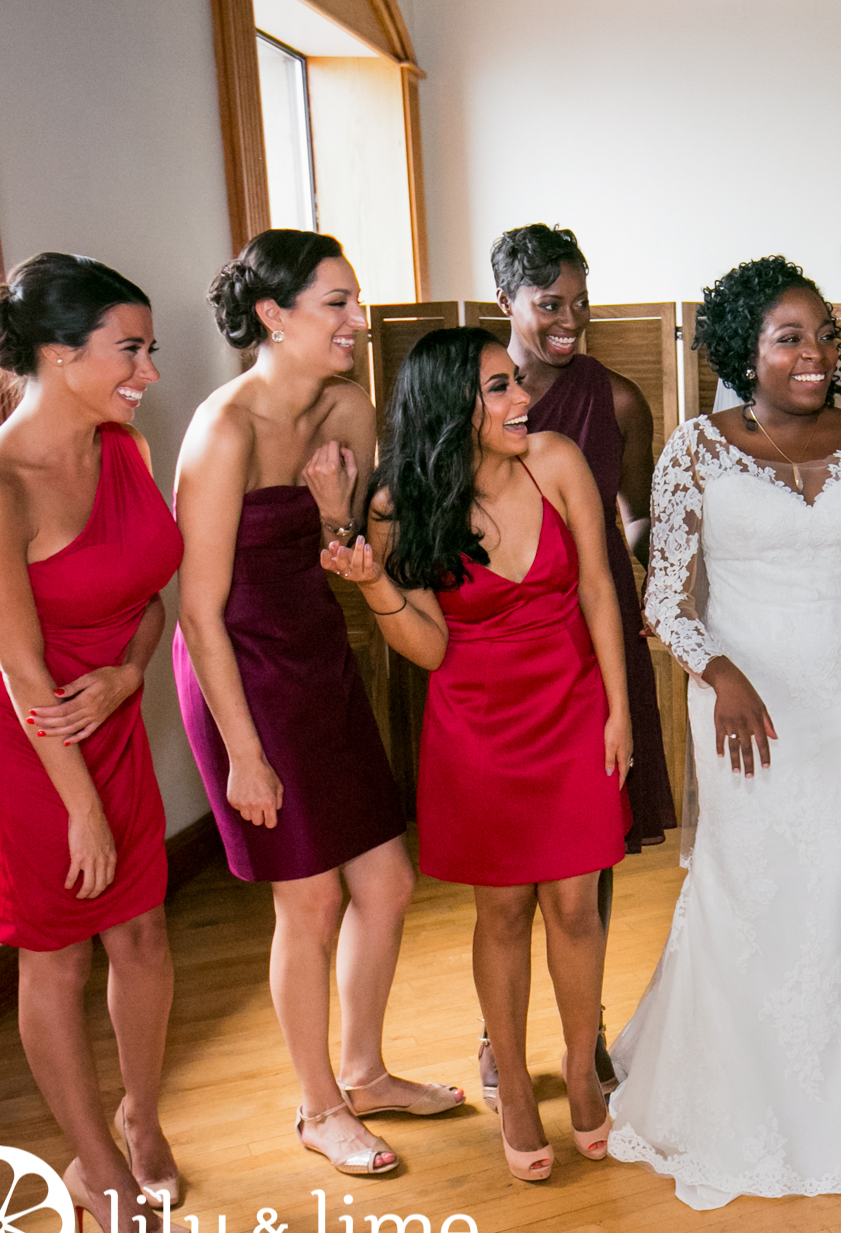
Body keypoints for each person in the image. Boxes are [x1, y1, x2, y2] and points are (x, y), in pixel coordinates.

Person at [613, 256, 841, 1210]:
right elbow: (664, 595)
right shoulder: (694, 449)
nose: (813, 355)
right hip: (745, 707)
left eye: (822, 336)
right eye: (788, 338)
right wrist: (719, 669)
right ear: (743, 351)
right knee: (750, 881)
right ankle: (744, 1096)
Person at [174, 230, 460, 1178]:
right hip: (239, 669)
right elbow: (198, 611)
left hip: (317, 653)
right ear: (274, 316)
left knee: (386, 882)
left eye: (355, 299)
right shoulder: (222, 430)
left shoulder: (348, 406)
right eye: (335, 303)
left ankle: (368, 1070)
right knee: (309, 897)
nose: (357, 320)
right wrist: (243, 753)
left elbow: (342, 549)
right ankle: (318, 1104)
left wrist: (339, 511)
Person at [322, 327, 631, 1182]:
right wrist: (374, 581)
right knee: (501, 913)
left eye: (516, 383)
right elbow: (426, 649)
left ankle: (578, 1068)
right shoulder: (398, 504)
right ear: (450, 405)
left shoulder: (558, 461)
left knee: (575, 903)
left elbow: (601, 588)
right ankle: (519, 1090)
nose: (520, 399)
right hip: (479, 728)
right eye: (498, 387)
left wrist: (619, 711)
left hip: (573, 710)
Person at [0, 253, 189, 1233]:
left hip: (108, 718)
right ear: (59, 352)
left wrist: (133, 675)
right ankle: (98, 1174)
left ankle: (140, 1118)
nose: (149, 371)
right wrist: (79, 801)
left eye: (148, 349)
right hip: (23, 746)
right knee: (57, 962)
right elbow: (18, 667)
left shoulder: (119, 447)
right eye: (129, 349)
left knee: (144, 938)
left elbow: (154, 601)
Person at [485, 223, 674, 1100]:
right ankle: (501, 1041)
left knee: (587, 851)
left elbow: (634, 514)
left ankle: (584, 1026)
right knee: (508, 863)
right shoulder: (475, 397)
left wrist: (652, 577)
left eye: (580, 302)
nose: (571, 321)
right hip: (500, 644)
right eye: (549, 305)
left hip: (594, 633)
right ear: (505, 305)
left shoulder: (621, 400)